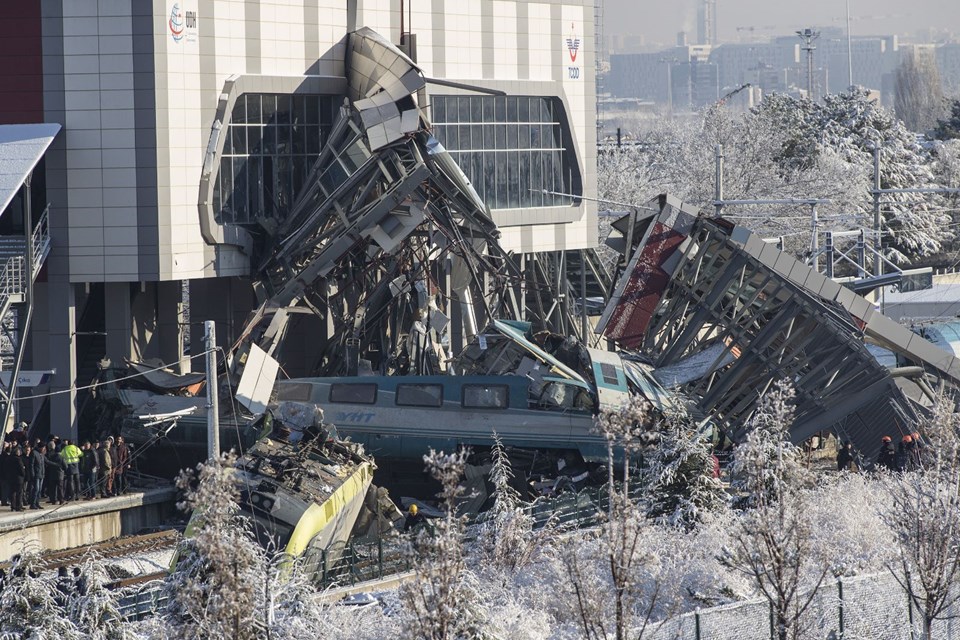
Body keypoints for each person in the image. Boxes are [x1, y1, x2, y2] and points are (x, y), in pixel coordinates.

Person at [45, 440, 65, 505]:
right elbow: (65, 466)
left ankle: (54, 500)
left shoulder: (51, 457)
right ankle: (61, 500)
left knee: (53, 488)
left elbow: (48, 464)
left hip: (52, 474)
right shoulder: (61, 457)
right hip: (60, 474)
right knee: (60, 488)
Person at [7, 447, 25, 512]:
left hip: (11, 478)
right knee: (19, 493)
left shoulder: (9, 459)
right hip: (18, 479)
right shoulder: (18, 459)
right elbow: (21, 469)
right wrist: (24, 474)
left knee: (12, 493)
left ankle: (13, 507)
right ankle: (18, 507)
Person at [29, 443, 47, 510]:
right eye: (43, 448)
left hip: (42, 474)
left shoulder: (42, 454)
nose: (44, 449)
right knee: (36, 489)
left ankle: (37, 503)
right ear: (40, 447)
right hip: (36, 475)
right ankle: (32, 504)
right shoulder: (34, 453)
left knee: (39, 490)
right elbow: (31, 465)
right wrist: (33, 474)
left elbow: (46, 461)